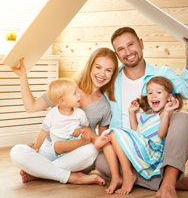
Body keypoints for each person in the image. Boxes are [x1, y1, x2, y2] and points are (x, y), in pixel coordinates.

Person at [95, 27, 188, 198]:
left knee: (182, 118)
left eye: (130, 44)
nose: (128, 52)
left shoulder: (162, 74)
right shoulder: (110, 79)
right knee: (101, 162)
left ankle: (168, 183)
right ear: (117, 55)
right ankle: (172, 181)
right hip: (127, 151)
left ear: (141, 44)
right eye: (121, 49)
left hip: (160, 149)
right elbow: (100, 113)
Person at [9, 47, 118, 185]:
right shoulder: (66, 88)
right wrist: (23, 77)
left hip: (77, 154)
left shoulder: (104, 106)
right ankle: (70, 177)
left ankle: (40, 172)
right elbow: (31, 107)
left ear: (113, 74)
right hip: (52, 148)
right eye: (98, 67)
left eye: (108, 70)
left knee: (92, 149)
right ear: (90, 66)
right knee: (17, 152)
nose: (102, 74)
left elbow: (101, 140)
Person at [100, 76, 186, 195]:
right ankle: (120, 176)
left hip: (152, 151)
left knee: (114, 133)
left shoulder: (165, 113)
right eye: (150, 93)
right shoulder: (146, 113)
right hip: (143, 146)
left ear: (169, 97)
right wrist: (132, 113)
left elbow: (161, 134)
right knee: (111, 137)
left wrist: (167, 112)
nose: (153, 95)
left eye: (158, 92)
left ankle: (128, 175)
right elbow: (137, 132)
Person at [34, 78, 110, 157]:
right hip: (60, 143)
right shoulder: (52, 114)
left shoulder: (79, 112)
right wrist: (36, 147)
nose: (79, 95)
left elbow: (87, 127)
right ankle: (82, 142)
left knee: (86, 130)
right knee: (57, 145)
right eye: (75, 94)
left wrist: (79, 130)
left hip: (74, 139)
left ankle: (97, 139)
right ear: (62, 101)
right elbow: (43, 132)